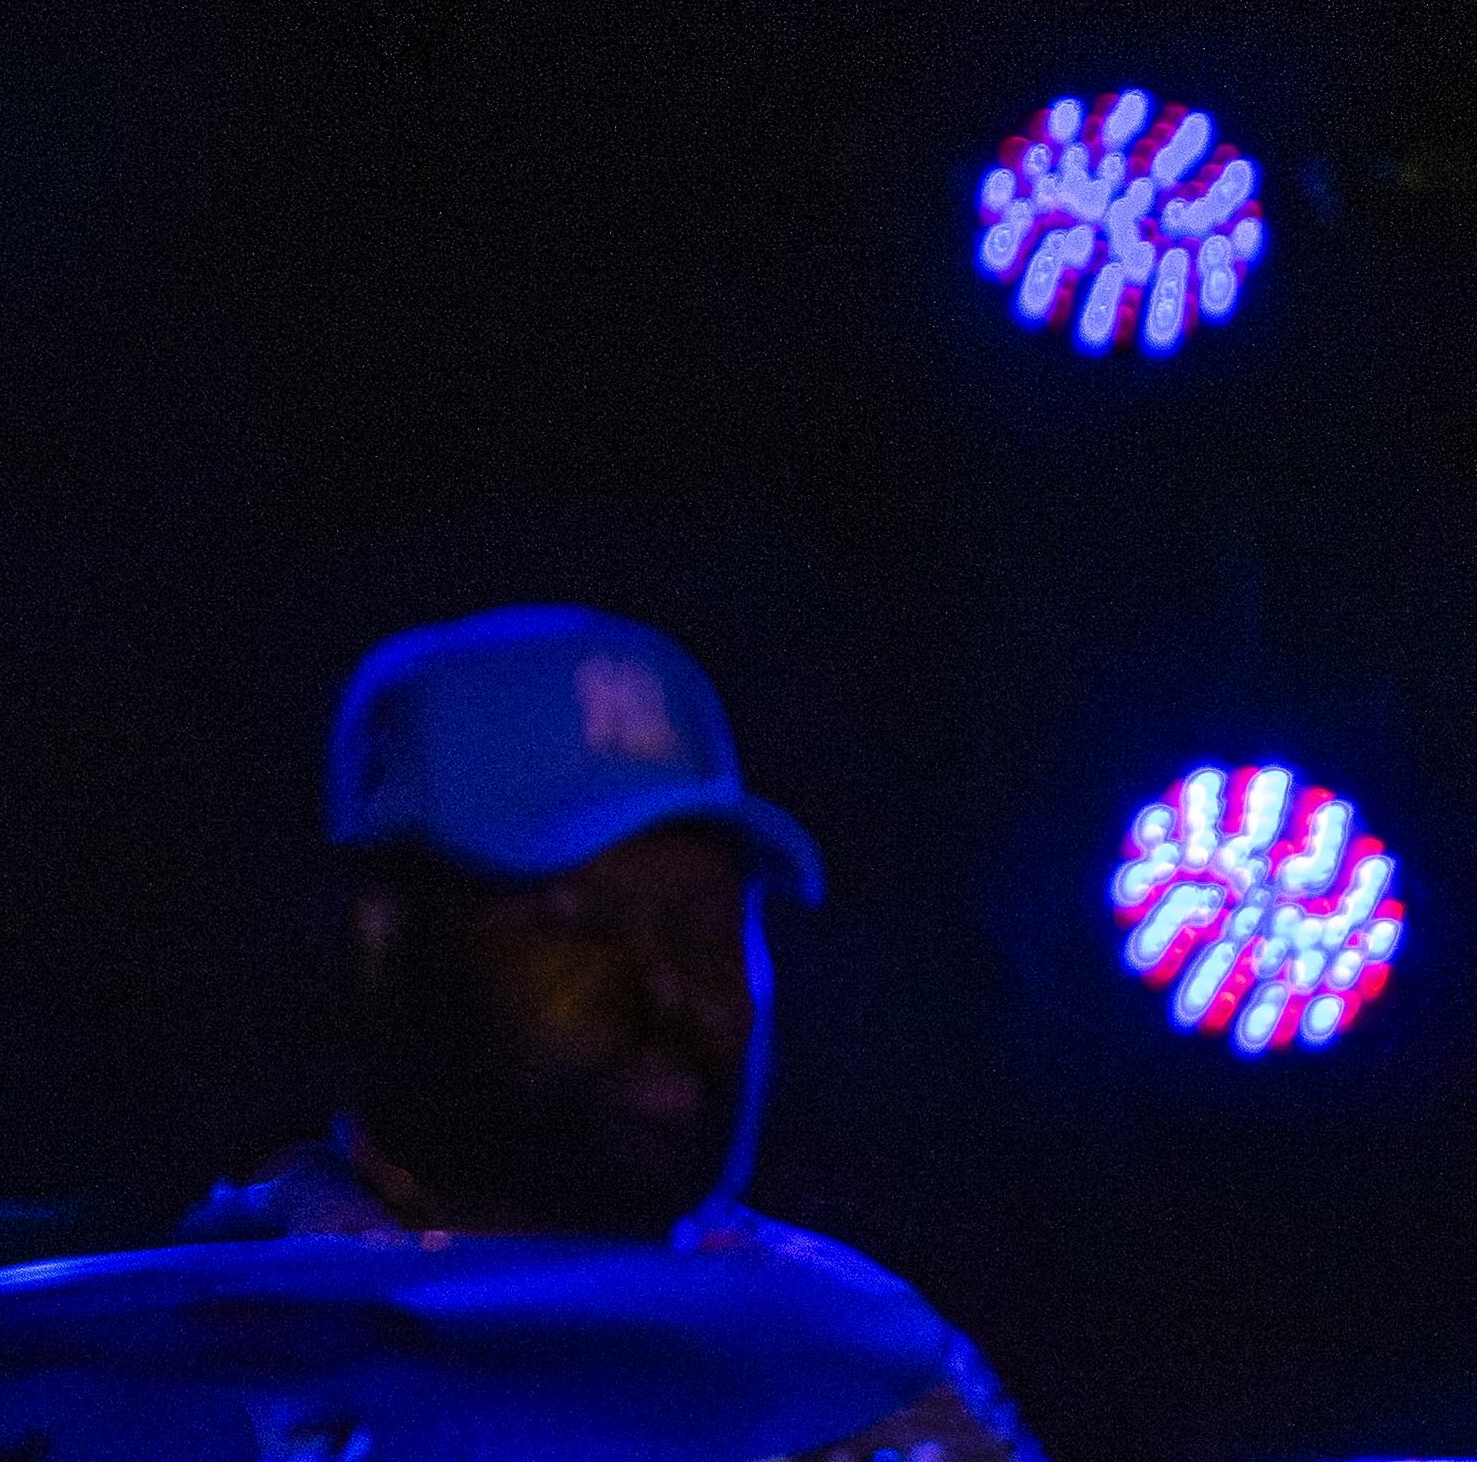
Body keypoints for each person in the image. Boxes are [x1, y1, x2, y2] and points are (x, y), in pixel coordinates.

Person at [192, 609, 1039, 1462]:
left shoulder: (869, 1361)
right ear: (377, 943)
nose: (664, 991)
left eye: (705, 928)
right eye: (579, 925)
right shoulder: (202, 1362)